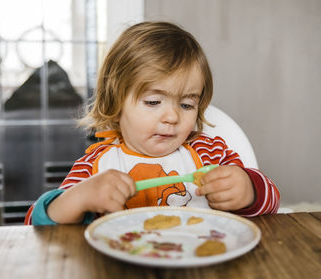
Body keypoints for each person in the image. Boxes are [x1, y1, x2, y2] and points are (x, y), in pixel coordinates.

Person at [25, 21, 280, 225]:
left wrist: (249, 190)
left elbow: (272, 199)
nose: (172, 117)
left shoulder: (209, 153)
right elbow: (34, 223)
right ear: (116, 106)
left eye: (187, 105)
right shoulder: (95, 167)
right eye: (153, 102)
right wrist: (78, 198)